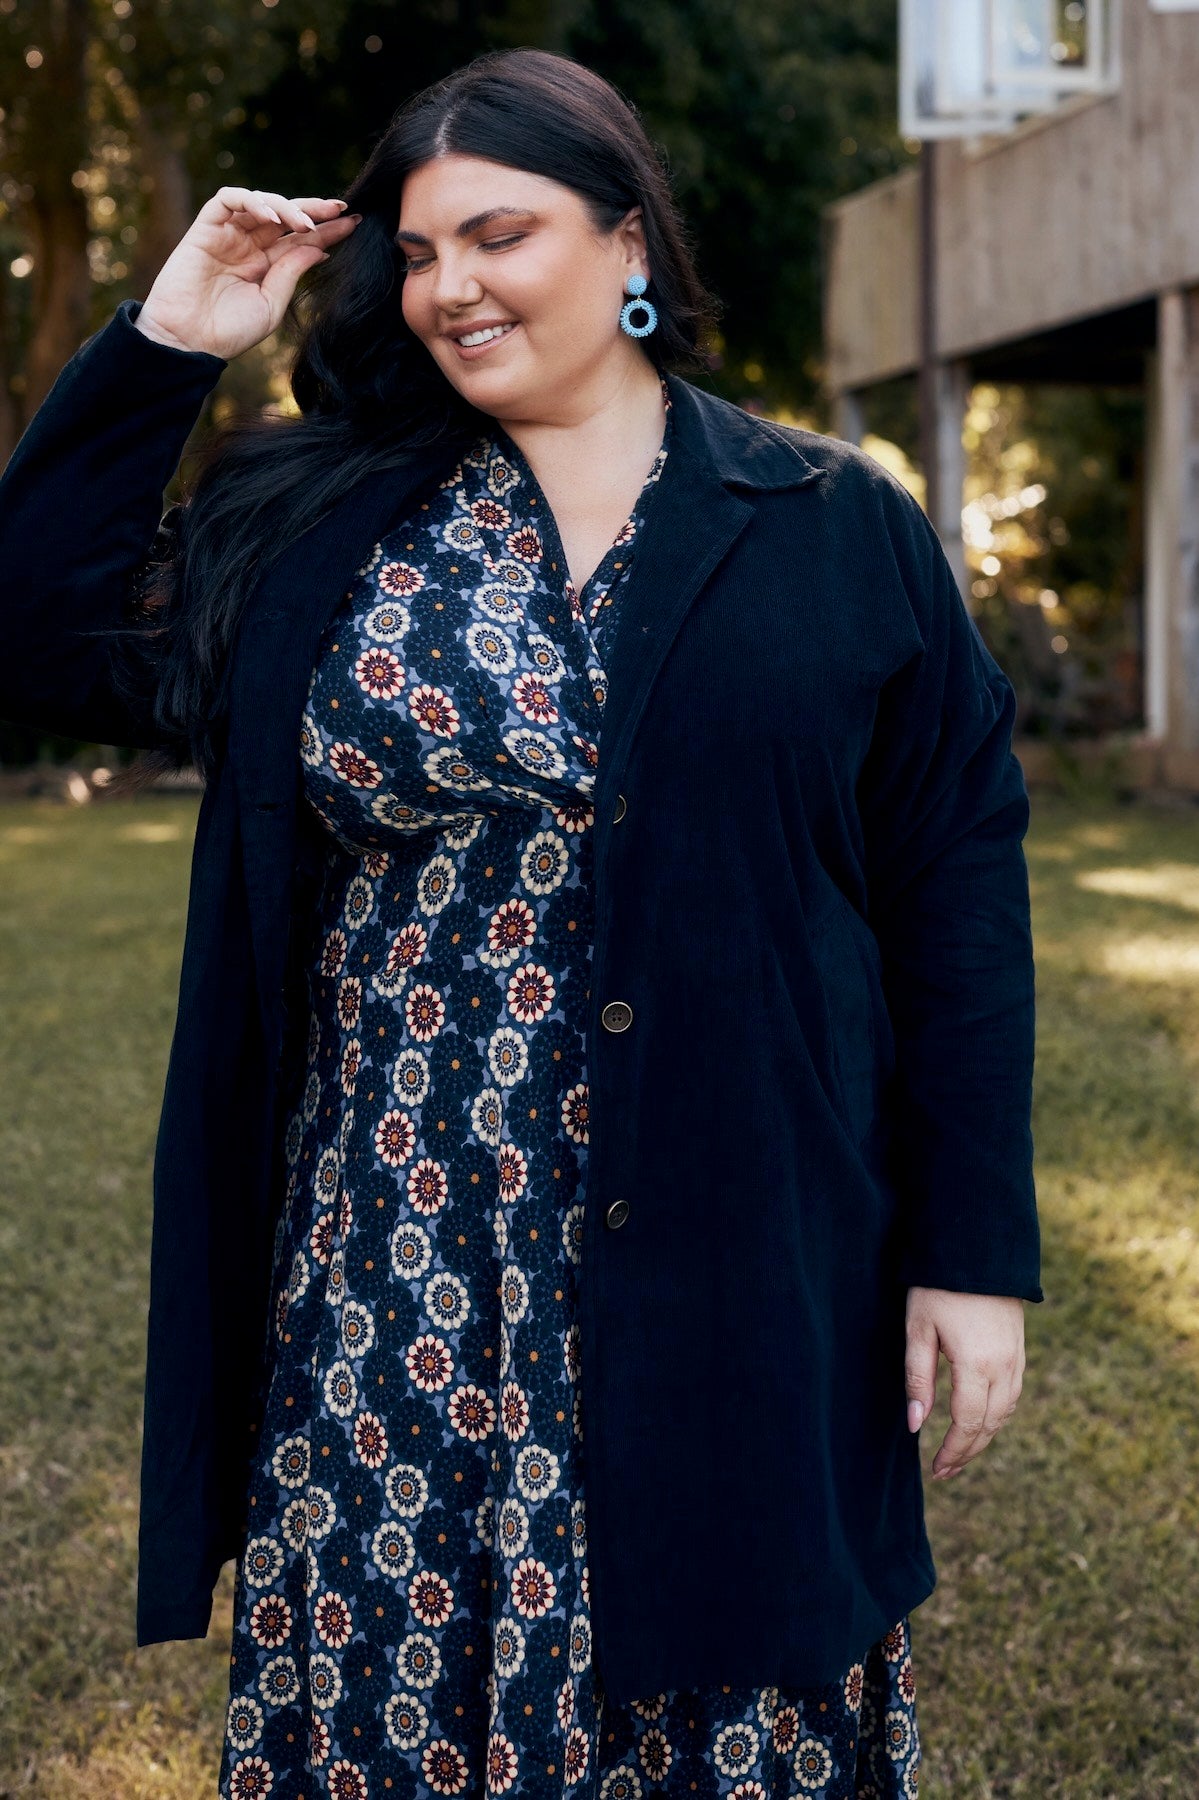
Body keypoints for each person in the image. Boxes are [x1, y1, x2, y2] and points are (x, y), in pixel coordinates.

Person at [0, 46, 1042, 1800]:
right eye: (415, 252)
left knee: (724, 1704)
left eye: (500, 232)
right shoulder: (323, 523)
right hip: (392, 1268)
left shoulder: (833, 528)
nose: (450, 286)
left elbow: (955, 890)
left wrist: (974, 1248)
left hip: (741, 1264)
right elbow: (30, 630)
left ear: (629, 238)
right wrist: (176, 332)